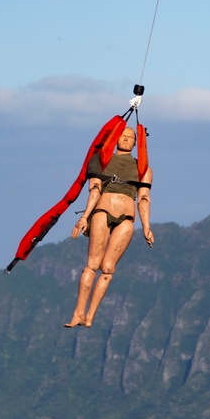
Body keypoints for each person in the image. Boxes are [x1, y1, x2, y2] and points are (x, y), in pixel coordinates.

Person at [64, 126, 153, 328]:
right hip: (102, 211)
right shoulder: (100, 161)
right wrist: (84, 217)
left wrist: (147, 226)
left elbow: (144, 199)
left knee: (107, 269)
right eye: (123, 135)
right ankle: (78, 312)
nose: (126, 139)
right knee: (92, 264)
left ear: (136, 142)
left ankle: (90, 316)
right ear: (115, 138)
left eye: (131, 137)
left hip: (127, 217)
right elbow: (94, 189)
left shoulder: (143, 169)